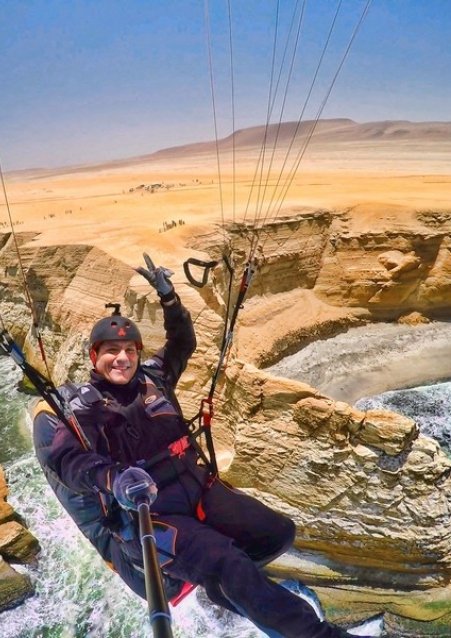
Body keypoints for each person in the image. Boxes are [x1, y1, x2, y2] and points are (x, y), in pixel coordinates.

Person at [33, 254, 371, 638]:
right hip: (152, 510)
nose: (121, 358)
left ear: (138, 354)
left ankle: (226, 585)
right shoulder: (80, 405)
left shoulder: (154, 379)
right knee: (227, 562)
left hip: (199, 489)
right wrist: (114, 479)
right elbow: (67, 461)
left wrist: (170, 299)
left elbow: (183, 342)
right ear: (95, 357)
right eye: (110, 351)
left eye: (129, 350)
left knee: (277, 534)